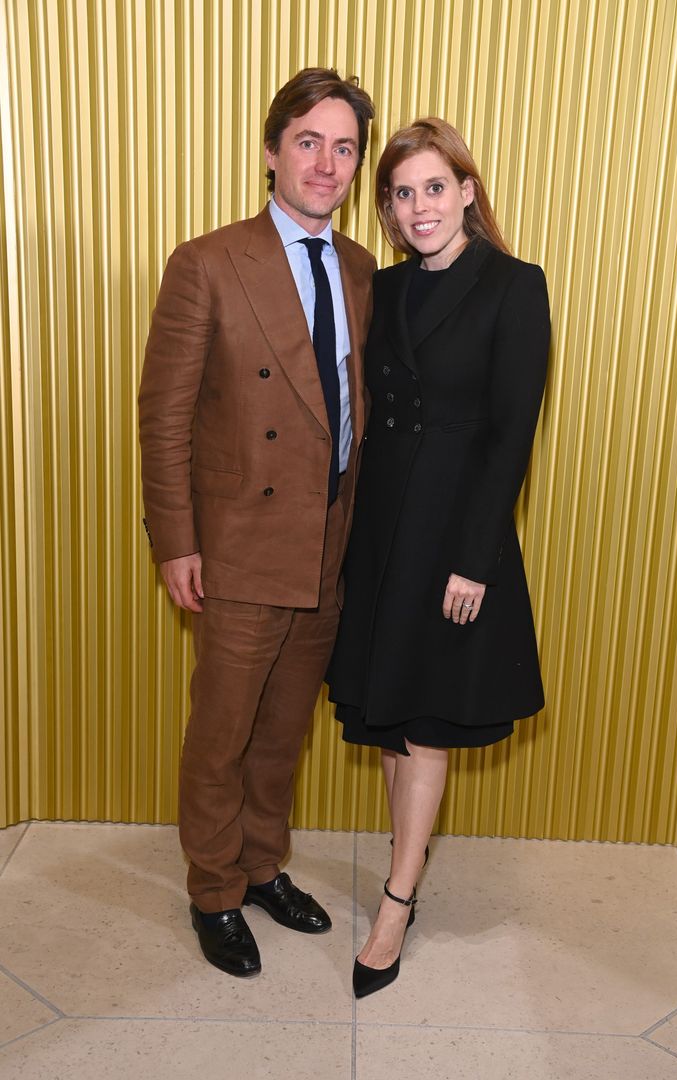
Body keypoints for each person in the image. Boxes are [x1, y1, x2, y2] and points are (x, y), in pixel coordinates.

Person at [138, 68, 375, 978]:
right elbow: (164, 415)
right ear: (272, 151)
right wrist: (177, 541)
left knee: (283, 734)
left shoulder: (360, 268)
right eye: (308, 142)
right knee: (223, 734)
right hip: (237, 545)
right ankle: (213, 890)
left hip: (327, 544)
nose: (326, 163)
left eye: (343, 147)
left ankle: (263, 866)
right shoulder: (207, 262)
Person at [326, 118, 551, 998]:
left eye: (433, 187)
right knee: (390, 717)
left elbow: (511, 436)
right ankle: (408, 859)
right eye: (401, 193)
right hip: (383, 528)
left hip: (454, 532)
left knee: (423, 723)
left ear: (466, 191)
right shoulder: (383, 288)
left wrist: (474, 561)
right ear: (388, 208)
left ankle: (396, 901)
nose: (418, 206)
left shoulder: (515, 285)